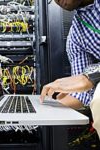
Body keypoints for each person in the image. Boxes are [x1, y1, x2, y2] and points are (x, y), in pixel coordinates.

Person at [40, 0, 100, 138]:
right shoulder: (76, 37)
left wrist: (91, 76)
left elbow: (85, 80)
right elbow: (82, 95)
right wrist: (40, 109)